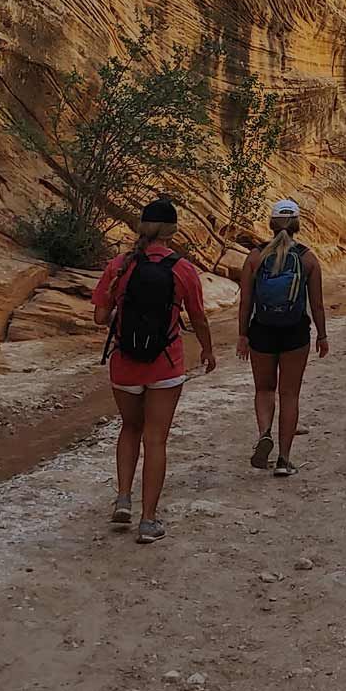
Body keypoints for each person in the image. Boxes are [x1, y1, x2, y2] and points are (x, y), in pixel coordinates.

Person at [92, 198, 216, 542]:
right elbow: (199, 317)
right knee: (156, 439)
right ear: (173, 231)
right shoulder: (183, 269)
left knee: (129, 428)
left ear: (141, 227)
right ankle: (148, 522)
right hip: (165, 365)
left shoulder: (119, 265)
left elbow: (100, 317)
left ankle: (122, 499)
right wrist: (207, 349)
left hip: (124, 365)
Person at [236, 198, 327, 477]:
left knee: (264, 389)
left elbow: (245, 302)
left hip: (262, 329)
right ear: (298, 224)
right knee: (289, 394)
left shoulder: (255, 257)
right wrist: (322, 336)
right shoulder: (308, 258)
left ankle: (265, 433)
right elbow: (317, 304)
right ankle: (284, 460)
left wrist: (242, 335)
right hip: (295, 331)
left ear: (271, 224)